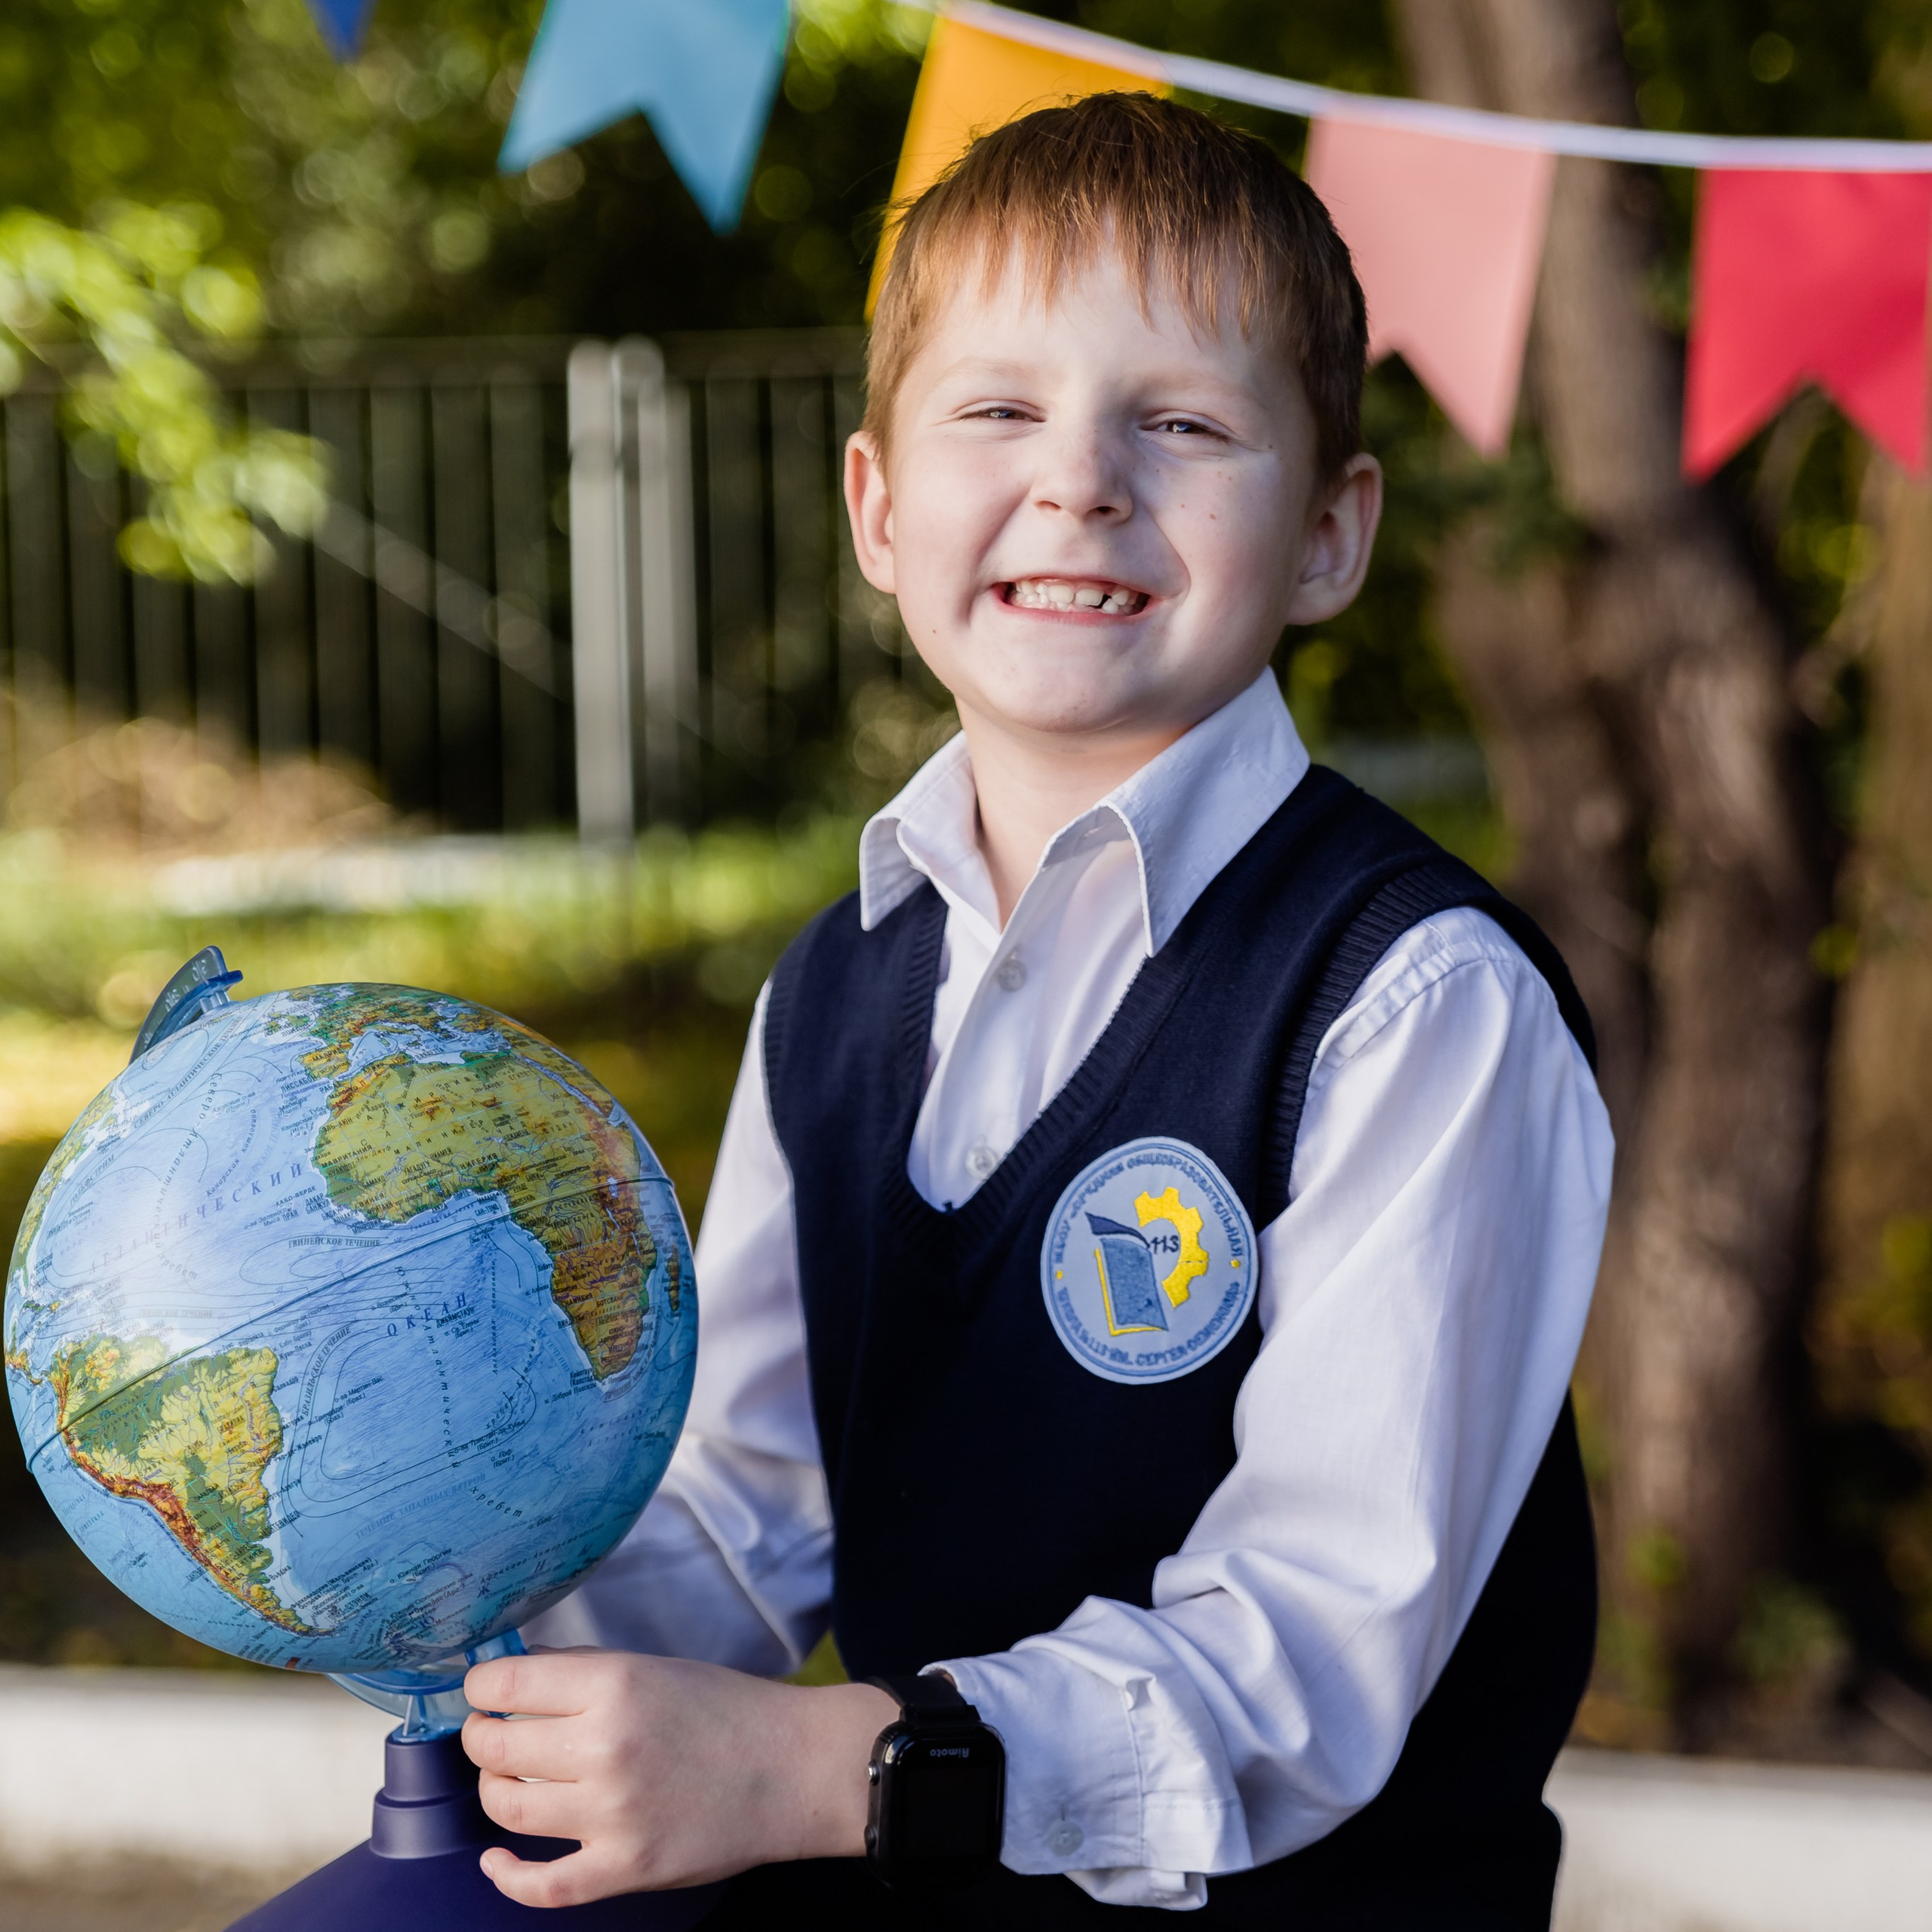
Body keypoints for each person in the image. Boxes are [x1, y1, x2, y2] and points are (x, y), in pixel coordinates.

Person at [461, 92, 1614, 1927]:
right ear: (876, 505)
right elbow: (745, 1508)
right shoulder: (832, 987)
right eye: (996, 410)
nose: (1079, 479)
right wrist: (457, 1610)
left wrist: (819, 1767)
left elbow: (1305, 1656)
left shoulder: (1415, 999)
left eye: (1183, 422)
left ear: (1328, 534)